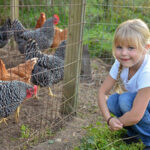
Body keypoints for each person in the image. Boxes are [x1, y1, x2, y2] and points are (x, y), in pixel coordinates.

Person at [98, 19, 150, 150]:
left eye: (131, 48)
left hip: (143, 107)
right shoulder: (120, 62)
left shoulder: (147, 71)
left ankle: (148, 140)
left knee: (125, 100)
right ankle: (134, 134)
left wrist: (117, 123)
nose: (123, 53)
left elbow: (137, 114)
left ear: (146, 48)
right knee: (113, 101)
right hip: (141, 106)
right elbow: (102, 92)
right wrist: (109, 119)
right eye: (119, 47)